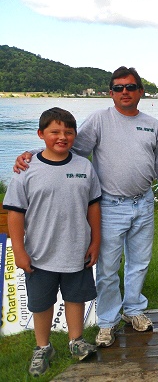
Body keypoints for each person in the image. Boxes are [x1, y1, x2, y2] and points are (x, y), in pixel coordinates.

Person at [15, 67, 158, 348]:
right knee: (107, 268)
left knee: (139, 263)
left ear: (140, 91)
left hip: (144, 203)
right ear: (110, 93)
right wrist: (32, 154)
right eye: (118, 88)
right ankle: (106, 321)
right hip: (110, 205)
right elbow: (68, 147)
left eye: (130, 87)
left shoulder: (152, 125)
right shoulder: (100, 120)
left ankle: (134, 310)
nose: (124, 92)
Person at [3, 107, 102, 376]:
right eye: (54, 132)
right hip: (39, 253)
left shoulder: (84, 166)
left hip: (77, 250)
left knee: (75, 297)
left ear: (75, 135)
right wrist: (20, 251)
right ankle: (43, 347)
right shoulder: (26, 169)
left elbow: (93, 207)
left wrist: (95, 242)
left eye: (68, 132)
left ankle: (76, 340)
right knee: (42, 303)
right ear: (40, 134)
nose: (62, 137)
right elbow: (15, 214)